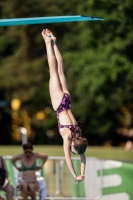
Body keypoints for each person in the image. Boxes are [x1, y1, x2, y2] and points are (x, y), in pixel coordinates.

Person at [41, 29, 88, 184]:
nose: (72, 151)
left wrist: (82, 173)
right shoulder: (68, 137)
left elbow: (82, 155)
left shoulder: (77, 133)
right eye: (73, 149)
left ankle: (54, 42)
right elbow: (67, 158)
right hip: (59, 104)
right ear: (73, 144)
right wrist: (75, 175)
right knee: (53, 71)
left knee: (60, 70)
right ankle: (48, 42)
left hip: (67, 100)